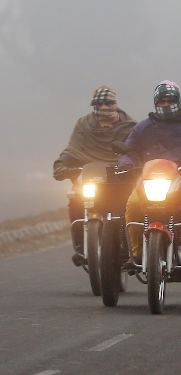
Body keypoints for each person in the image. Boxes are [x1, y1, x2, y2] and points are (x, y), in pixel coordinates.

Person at [118, 81, 181, 270]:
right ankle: (137, 252)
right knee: (133, 205)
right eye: (162, 101)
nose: (166, 104)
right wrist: (126, 165)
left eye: (170, 101)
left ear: (178, 101)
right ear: (156, 103)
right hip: (148, 183)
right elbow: (129, 151)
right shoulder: (142, 128)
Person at [53, 86, 137, 264]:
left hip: (119, 178)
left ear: (115, 104)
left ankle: (127, 244)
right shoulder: (83, 124)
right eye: (100, 103)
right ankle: (81, 245)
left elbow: (136, 152)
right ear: (94, 105)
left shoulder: (131, 126)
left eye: (109, 103)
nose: (105, 106)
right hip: (90, 176)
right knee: (75, 202)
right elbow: (73, 149)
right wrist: (62, 163)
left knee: (129, 206)